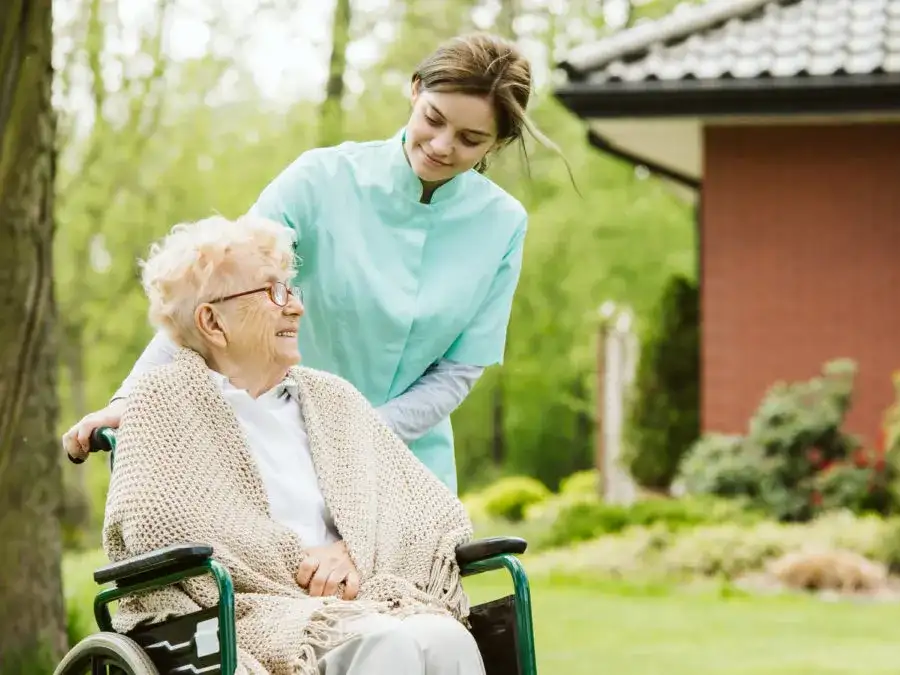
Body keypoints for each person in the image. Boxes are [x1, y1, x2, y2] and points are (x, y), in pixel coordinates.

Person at [63, 32, 562, 494]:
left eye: (470, 139)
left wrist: (359, 436)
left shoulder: (503, 225)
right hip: (283, 448)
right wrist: (129, 401)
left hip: (407, 467)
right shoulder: (319, 179)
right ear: (415, 91)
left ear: (497, 143)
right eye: (433, 119)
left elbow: (456, 370)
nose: (440, 145)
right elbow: (211, 296)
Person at [104, 214, 481, 675]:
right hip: (249, 616)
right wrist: (296, 566)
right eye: (272, 292)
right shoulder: (164, 402)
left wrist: (354, 550)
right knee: (384, 645)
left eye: (291, 290)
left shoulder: (333, 399)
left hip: (362, 600)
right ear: (212, 321)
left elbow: (427, 510)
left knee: (446, 638)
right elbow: (156, 524)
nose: (295, 308)